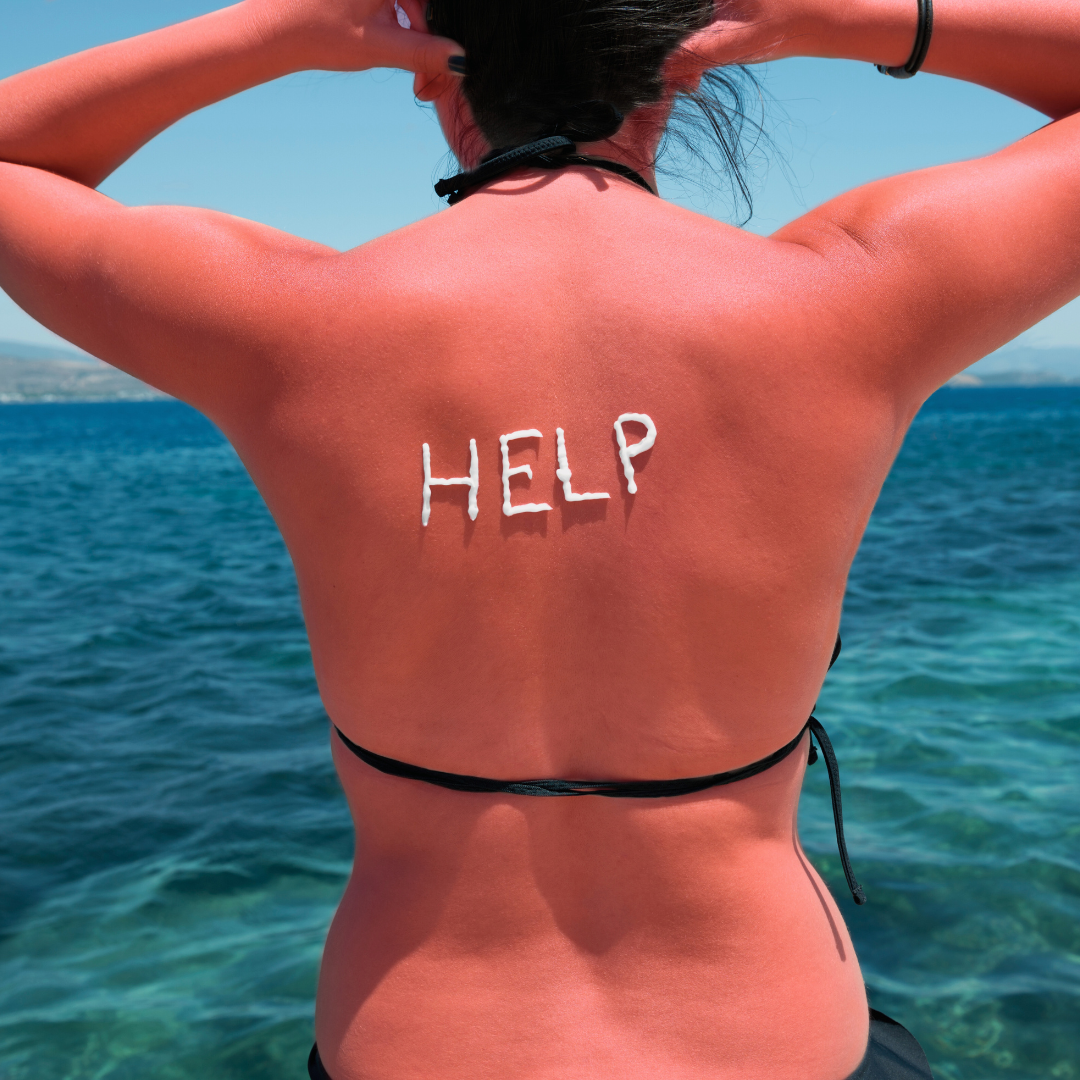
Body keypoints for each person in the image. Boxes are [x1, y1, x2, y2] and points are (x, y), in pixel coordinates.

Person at [1, 0, 1078, 1076]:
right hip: (774, 1038)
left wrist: (288, 32)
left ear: (433, 71)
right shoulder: (853, 296)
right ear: (679, 68)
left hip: (419, 1041)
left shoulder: (285, 319)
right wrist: (834, 20)